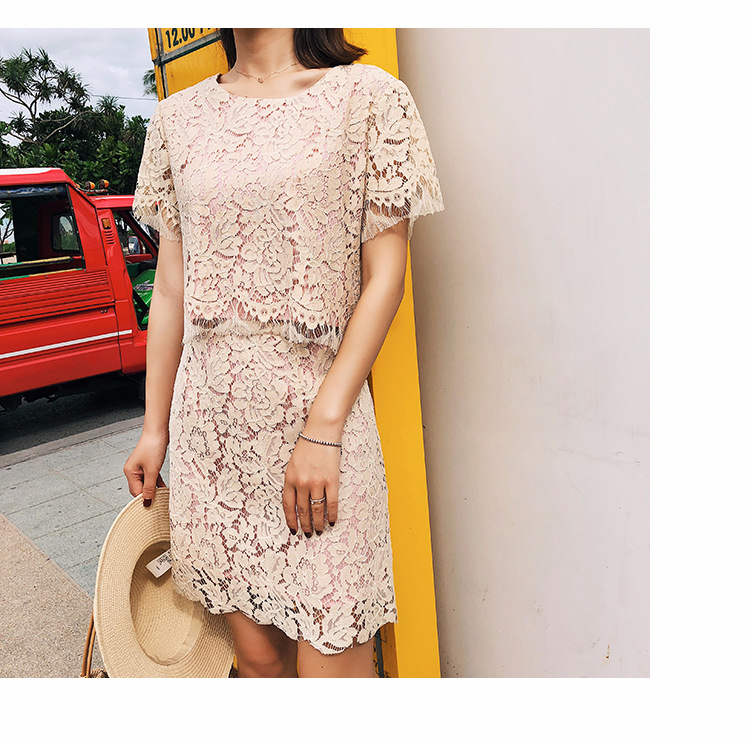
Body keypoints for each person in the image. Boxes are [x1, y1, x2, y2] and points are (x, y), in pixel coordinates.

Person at [123, 27, 444, 678]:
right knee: (259, 662)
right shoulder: (176, 120)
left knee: (332, 658)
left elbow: (386, 277)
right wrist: (155, 429)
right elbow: (173, 288)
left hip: (320, 426)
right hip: (213, 441)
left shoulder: (368, 98)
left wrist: (324, 427)